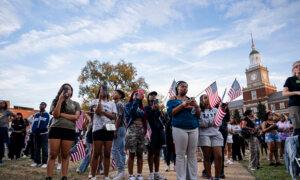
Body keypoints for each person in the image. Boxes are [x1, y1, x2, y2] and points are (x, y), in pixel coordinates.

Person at [46, 83, 81, 180]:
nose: (67, 91)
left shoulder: (76, 104)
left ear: (72, 92)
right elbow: (55, 115)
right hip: (56, 129)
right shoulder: (56, 101)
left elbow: (76, 117)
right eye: (65, 89)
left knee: (65, 155)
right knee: (53, 154)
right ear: (61, 90)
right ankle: (49, 177)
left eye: (69, 89)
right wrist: (60, 100)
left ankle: (64, 177)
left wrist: (61, 114)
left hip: (69, 130)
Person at [167, 81, 200, 180]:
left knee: (192, 154)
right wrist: (183, 105)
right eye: (182, 86)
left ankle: (193, 177)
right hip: (179, 128)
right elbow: (171, 113)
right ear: (177, 88)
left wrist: (196, 106)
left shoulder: (191, 100)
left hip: (193, 128)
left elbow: (198, 115)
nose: (184, 88)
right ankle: (181, 178)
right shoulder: (172, 100)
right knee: (180, 154)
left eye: (186, 87)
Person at [90, 84, 117, 180]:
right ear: (99, 91)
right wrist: (100, 100)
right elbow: (97, 111)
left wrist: (104, 112)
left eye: (105, 89)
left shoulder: (112, 103)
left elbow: (113, 117)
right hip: (97, 129)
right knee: (96, 153)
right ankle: (93, 175)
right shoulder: (94, 101)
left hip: (109, 128)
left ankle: (106, 176)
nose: (104, 91)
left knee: (107, 153)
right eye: (102, 89)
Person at [198, 94, 224, 179]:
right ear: (201, 101)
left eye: (208, 97)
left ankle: (217, 177)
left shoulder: (216, 110)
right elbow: (201, 124)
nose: (207, 99)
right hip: (204, 134)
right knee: (207, 156)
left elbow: (218, 123)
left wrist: (208, 122)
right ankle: (209, 177)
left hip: (216, 134)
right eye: (205, 97)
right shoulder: (199, 111)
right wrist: (212, 121)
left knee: (219, 156)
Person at [125, 89, 147, 180]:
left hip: (141, 130)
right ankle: (131, 174)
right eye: (135, 94)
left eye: (139, 95)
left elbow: (145, 119)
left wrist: (145, 130)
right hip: (132, 130)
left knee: (140, 154)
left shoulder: (142, 107)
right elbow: (132, 113)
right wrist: (136, 101)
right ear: (132, 96)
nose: (138, 96)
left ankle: (139, 174)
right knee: (132, 153)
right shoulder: (128, 105)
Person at [145, 91, 166, 180]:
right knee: (150, 153)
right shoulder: (146, 107)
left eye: (155, 95)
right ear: (148, 97)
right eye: (151, 95)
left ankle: (156, 173)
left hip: (158, 132)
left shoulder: (158, 107)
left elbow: (162, 118)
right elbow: (147, 117)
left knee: (157, 153)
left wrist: (159, 110)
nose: (153, 96)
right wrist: (153, 109)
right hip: (150, 132)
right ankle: (151, 173)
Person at [111, 89, 127, 180]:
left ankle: (121, 171)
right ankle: (121, 172)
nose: (113, 94)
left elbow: (119, 118)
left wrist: (115, 130)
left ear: (120, 96)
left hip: (119, 128)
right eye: (113, 92)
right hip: (121, 128)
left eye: (115, 93)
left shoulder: (119, 104)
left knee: (115, 149)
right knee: (120, 150)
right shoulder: (115, 104)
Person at [283, 60, 300, 137]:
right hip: (295, 105)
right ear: (293, 70)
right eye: (296, 66)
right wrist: (296, 92)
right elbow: (284, 93)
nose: (298, 67)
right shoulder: (290, 79)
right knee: (298, 128)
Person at [31, 102, 50, 168]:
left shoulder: (47, 114)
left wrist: (39, 130)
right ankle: (37, 161)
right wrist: (33, 130)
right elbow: (33, 123)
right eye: (40, 105)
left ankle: (44, 162)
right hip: (36, 134)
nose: (41, 106)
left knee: (44, 148)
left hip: (43, 134)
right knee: (36, 148)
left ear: (45, 106)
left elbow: (46, 124)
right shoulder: (36, 114)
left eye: (43, 105)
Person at [0, 100, 15, 165]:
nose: (1, 104)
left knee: (2, 143)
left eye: (2, 103)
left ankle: (1, 158)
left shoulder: (7, 111)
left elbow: (15, 115)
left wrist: (9, 120)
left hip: (3, 128)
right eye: (0, 103)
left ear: (5, 104)